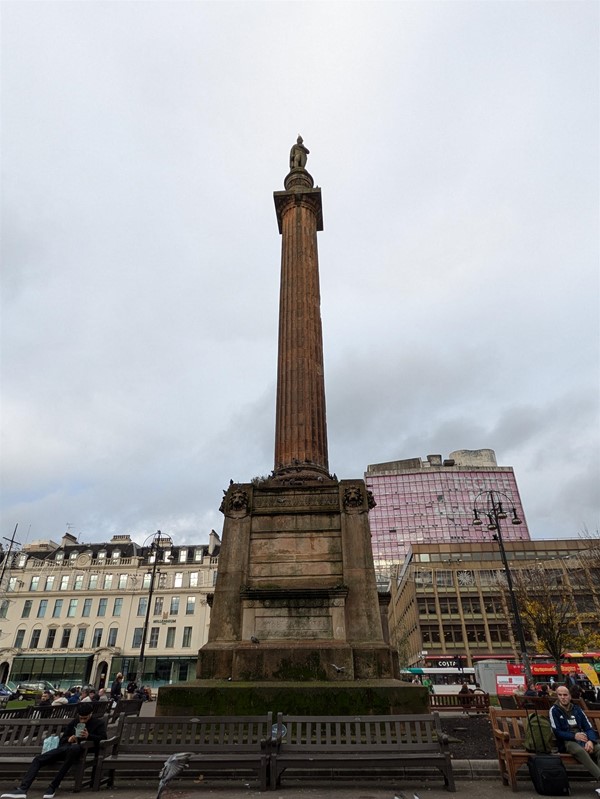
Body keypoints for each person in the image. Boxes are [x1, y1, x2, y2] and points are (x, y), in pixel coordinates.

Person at [0, 704, 107, 799]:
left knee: (74, 750)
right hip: (65, 749)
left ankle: (53, 786)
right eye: (81, 718)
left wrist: (89, 736)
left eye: (85, 718)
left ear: (91, 714)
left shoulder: (98, 723)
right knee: (38, 759)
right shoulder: (74, 722)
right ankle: (23, 789)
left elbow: (103, 739)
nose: (83, 720)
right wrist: (69, 739)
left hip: (81, 750)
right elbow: (63, 740)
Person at [549, 685, 600, 787]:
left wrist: (590, 741)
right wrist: (574, 736)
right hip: (567, 741)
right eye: (560, 695)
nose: (563, 697)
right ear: (557, 696)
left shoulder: (577, 709)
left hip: (584, 739)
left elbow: (589, 728)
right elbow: (557, 732)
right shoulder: (554, 710)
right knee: (580, 751)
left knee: (598, 748)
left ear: (570, 696)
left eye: (565, 695)